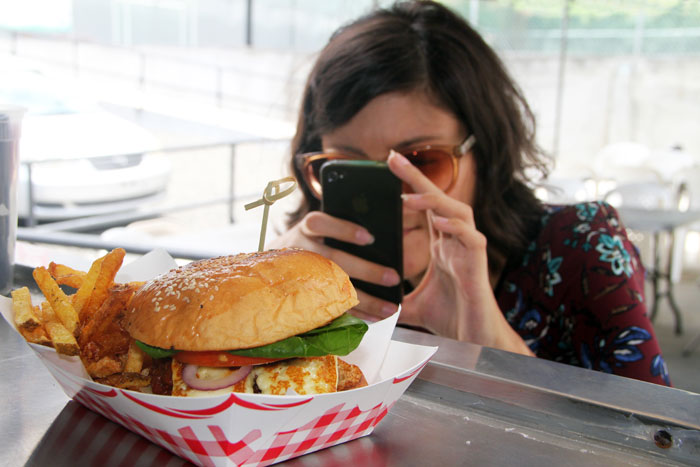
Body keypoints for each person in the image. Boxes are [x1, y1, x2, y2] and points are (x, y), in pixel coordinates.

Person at [268, 0, 670, 386]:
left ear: (487, 153)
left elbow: (658, 447)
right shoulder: (310, 275)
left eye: (422, 161)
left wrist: (490, 344)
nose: (392, 202)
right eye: (350, 171)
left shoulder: (582, 250)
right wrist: (274, 304)